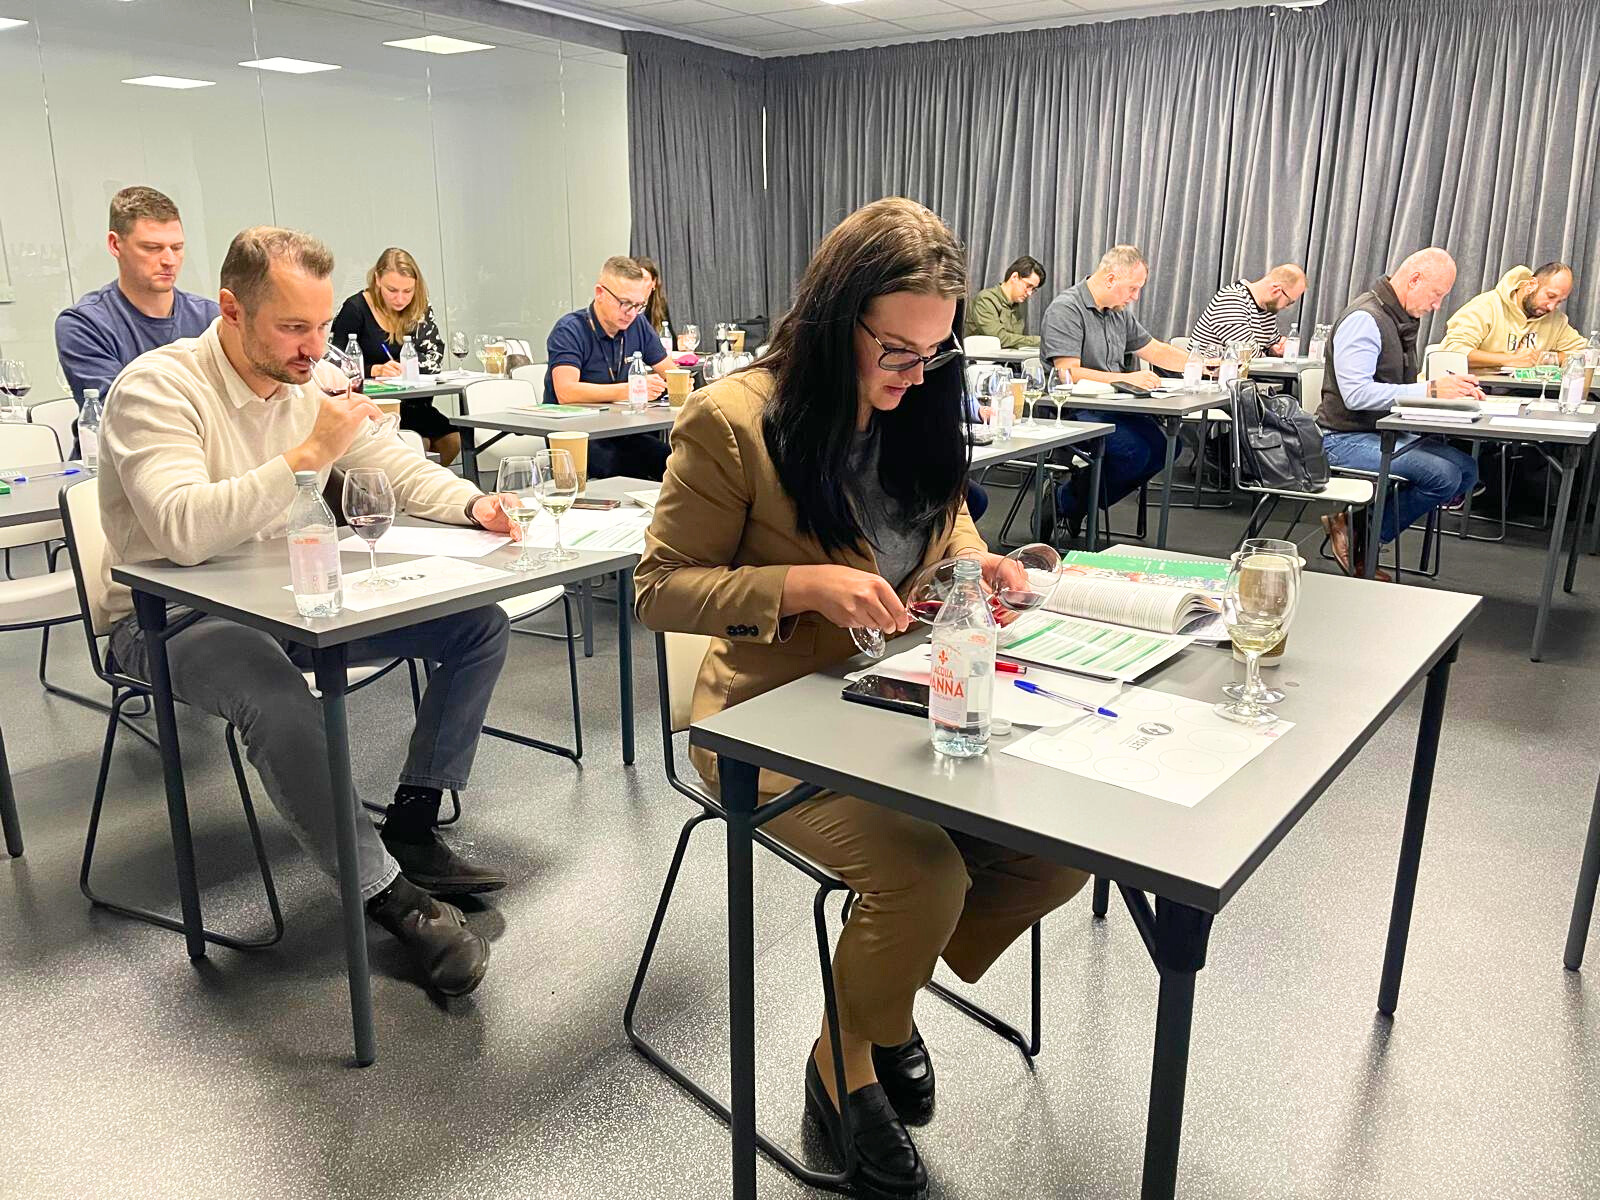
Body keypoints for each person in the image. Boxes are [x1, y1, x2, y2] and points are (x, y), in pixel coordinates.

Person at [636, 197, 1086, 1200]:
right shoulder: (732, 422)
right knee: (923, 881)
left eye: (933, 353)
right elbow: (659, 590)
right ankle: (845, 1060)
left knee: (1054, 854)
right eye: (895, 351)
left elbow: (945, 519)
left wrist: (978, 565)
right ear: (836, 318)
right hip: (763, 719)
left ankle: (875, 1002)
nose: (914, 374)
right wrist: (798, 587)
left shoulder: (916, 399)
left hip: (897, 691)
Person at [99, 226, 520, 998]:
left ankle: (412, 823)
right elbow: (182, 530)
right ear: (232, 310)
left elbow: (392, 466)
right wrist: (307, 454)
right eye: (294, 327)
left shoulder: (307, 379)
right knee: (274, 692)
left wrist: (473, 503)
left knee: (478, 625)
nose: (314, 347)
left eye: (322, 325)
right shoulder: (156, 389)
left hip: (289, 598)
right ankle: (389, 897)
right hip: (166, 616)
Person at [1315, 248, 1481, 576]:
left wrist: (1449, 393)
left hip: (1380, 432)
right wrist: (1432, 391)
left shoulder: (1397, 319)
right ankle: (1364, 535)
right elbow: (1356, 395)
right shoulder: (1365, 319)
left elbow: (1393, 385)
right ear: (1414, 279)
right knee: (1443, 476)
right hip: (1340, 438)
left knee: (1467, 470)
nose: (1437, 306)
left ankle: (1354, 525)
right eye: (1436, 294)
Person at [1038, 244, 1193, 539]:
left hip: (1115, 405)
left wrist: (1206, 364)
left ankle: (1074, 500)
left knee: (1168, 449)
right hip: (1073, 408)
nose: (1135, 297)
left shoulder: (1119, 313)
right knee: (1133, 453)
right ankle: (1064, 501)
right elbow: (1069, 373)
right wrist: (1125, 378)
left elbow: (1156, 350)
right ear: (1110, 279)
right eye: (1133, 288)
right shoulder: (1066, 309)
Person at [55, 186, 220, 410]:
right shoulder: (85, 325)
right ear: (115, 244)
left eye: (177, 247)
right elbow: (125, 413)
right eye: (152, 248)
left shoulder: (213, 318)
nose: (169, 260)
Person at [545, 256, 672, 480]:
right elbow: (566, 392)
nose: (631, 313)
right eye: (625, 303)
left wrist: (684, 386)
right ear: (600, 293)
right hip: (578, 436)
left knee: (677, 463)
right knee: (628, 465)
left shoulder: (638, 324)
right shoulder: (569, 330)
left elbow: (671, 372)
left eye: (638, 305)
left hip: (623, 431)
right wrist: (631, 389)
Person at [330, 247, 457, 466]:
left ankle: (422, 483)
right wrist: (374, 370)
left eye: (408, 291)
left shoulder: (419, 306)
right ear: (377, 280)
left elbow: (434, 355)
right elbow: (333, 361)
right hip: (376, 405)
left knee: (453, 441)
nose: (400, 299)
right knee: (418, 444)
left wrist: (406, 367)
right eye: (392, 290)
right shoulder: (355, 309)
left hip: (416, 404)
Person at [1440, 262, 1589, 370]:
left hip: (1523, 392)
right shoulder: (1485, 307)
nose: (1551, 307)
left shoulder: (1555, 320)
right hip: (1476, 388)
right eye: (1550, 296)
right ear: (1531, 285)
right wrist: (1510, 359)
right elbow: (1453, 353)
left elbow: (1586, 354)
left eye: (1559, 302)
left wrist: (1544, 358)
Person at [1189, 265, 1307, 355]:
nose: (1287, 307)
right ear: (1276, 291)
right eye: (1289, 302)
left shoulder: (1268, 309)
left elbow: (1271, 343)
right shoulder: (1231, 300)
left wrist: (1275, 349)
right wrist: (1262, 352)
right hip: (1206, 376)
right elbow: (1245, 354)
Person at [965, 255, 1045, 348]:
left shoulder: (1018, 305)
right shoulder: (986, 299)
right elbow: (1000, 339)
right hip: (983, 357)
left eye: (1033, 289)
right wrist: (1040, 341)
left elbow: (1015, 341)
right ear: (1014, 277)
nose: (1029, 293)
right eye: (1028, 286)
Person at [637, 255, 675, 349]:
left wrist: (680, 344)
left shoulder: (660, 306)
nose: (640, 284)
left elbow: (670, 341)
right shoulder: (623, 306)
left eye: (645, 279)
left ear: (654, 282)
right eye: (637, 279)